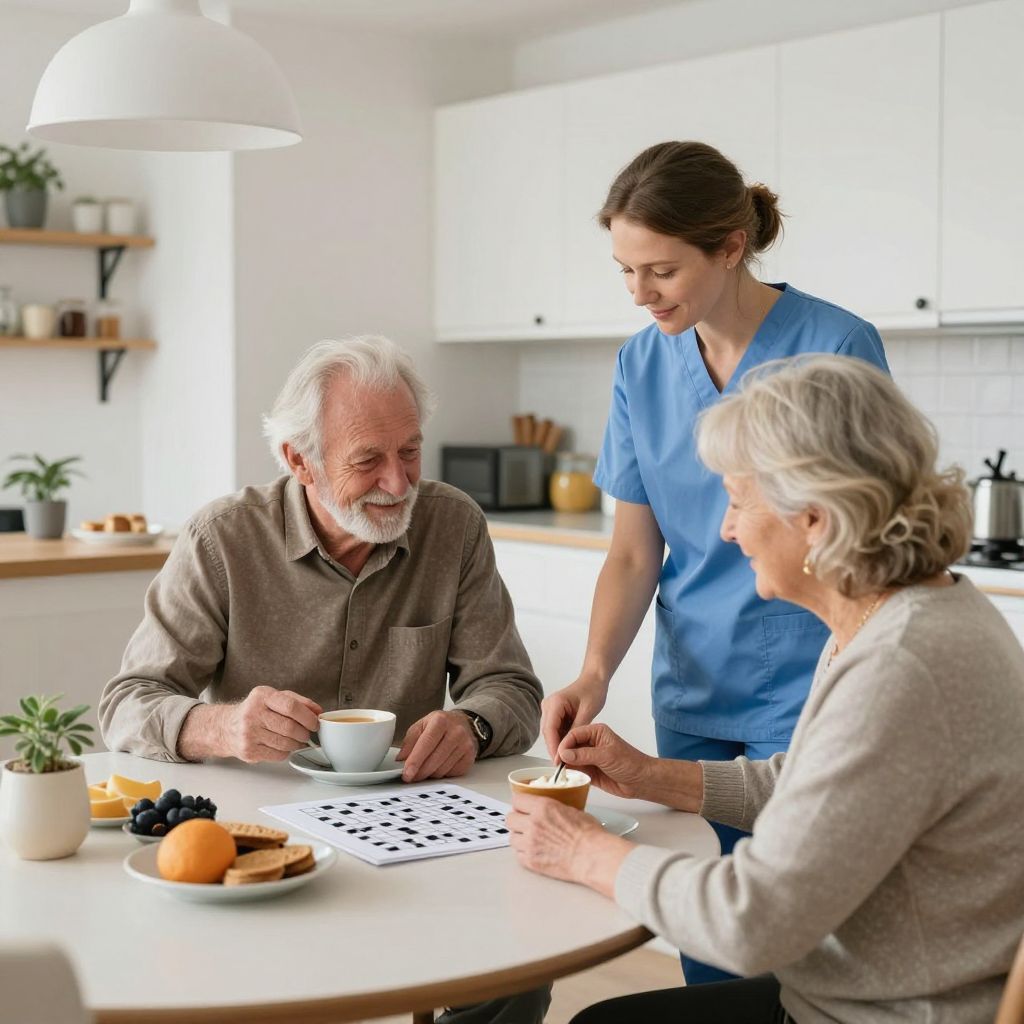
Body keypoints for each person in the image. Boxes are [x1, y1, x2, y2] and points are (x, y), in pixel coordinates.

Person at [511, 355, 1024, 1023]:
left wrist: (585, 852)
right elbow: (812, 788)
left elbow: (750, 922)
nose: (727, 530)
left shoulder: (901, 664)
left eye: (737, 499)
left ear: (814, 517)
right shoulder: (891, 614)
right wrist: (650, 776)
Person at [539, 140, 890, 984]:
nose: (639, 293)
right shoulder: (640, 361)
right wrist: (593, 674)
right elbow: (632, 552)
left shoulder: (837, 343)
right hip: (694, 683)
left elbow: (868, 534)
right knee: (710, 941)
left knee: (807, 941)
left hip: (810, 680)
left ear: (731, 246)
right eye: (625, 270)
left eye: (659, 270)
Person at [99, 336, 543, 783]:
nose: (397, 483)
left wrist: (473, 727)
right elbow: (128, 704)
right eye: (367, 459)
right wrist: (225, 728)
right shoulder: (220, 539)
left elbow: (511, 689)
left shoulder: (454, 525)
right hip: (259, 805)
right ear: (300, 461)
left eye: (409, 451)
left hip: (407, 804)